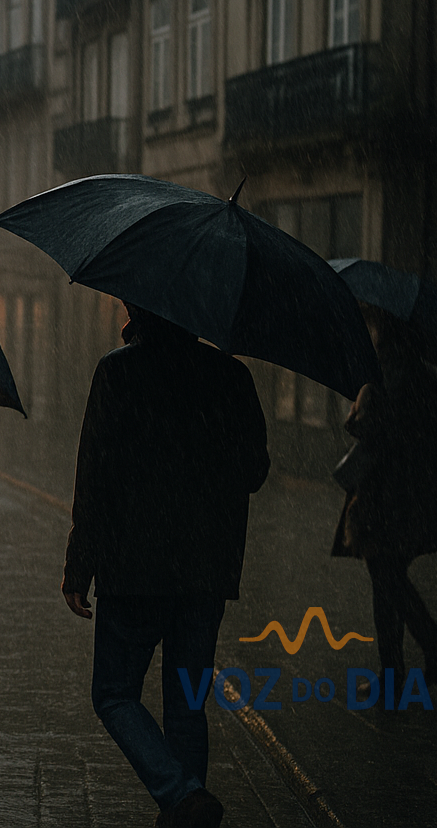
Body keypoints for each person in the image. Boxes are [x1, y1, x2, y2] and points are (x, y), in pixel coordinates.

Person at [61, 303, 269, 828]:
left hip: (133, 565)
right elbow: (254, 470)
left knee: (113, 693)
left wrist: (78, 564)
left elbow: (95, 477)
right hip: (205, 568)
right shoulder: (230, 375)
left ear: (138, 310)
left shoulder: (118, 373)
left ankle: (179, 794)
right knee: (187, 702)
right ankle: (186, 804)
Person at [333, 305, 437, 697]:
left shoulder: (386, 376)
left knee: (386, 578)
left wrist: (361, 401)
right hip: (411, 495)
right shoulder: (422, 375)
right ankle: (394, 672)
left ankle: (426, 650)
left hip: (386, 497)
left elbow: (367, 429)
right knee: (388, 578)